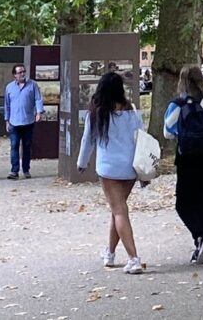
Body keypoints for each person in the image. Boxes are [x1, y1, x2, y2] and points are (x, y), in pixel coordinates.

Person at [77, 72, 146, 275]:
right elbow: (140, 137)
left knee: (119, 211)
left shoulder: (97, 113)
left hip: (108, 168)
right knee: (118, 210)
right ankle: (110, 253)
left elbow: (87, 140)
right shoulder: (131, 111)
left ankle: (134, 258)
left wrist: (82, 162)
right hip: (130, 168)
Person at [164, 65, 203, 264]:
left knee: (183, 202)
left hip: (188, 155)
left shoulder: (177, 104)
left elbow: (167, 132)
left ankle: (199, 235)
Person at [3, 64, 44, 180]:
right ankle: (14, 171)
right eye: (19, 72)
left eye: (23, 72)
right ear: (14, 75)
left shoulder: (33, 85)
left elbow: (38, 99)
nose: (22, 74)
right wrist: (6, 120)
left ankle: (26, 169)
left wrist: (39, 112)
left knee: (27, 146)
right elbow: (7, 105)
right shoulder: (9, 87)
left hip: (28, 121)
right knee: (14, 145)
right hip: (14, 122)